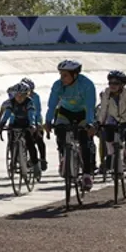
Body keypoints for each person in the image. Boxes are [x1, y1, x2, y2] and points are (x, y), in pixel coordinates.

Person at [44, 60, 97, 190]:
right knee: (60, 132)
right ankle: (64, 156)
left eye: (65, 75)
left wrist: (90, 123)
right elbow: (52, 105)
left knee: (84, 141)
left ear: (75, 75)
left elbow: (90, 106)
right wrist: (48, 121)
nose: (62, 78)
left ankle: (87, 175)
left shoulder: (87, 85)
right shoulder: (58, 85)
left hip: (83, 113)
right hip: (65, 112)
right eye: (61, 75)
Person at [96, 70, 126, 188]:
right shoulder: (106, 93)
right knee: (107, 133)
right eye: (110, 83)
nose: (112, 85)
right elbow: (103, 109)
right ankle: (111, 155)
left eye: (115, 83)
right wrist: (99, 122)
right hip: (113, 119)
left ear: (122, 85)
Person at [0, 82, 40, 171]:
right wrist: (1, 124)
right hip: (16, 123)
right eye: (17, 95)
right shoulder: (11, 102)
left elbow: (31, 115)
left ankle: (35, 164)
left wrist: (32, 124)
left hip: (27, 123)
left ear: (26, 95)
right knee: (12, 141)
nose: (19, 98)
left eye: (22, 96)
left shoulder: (29, 102)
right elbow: (6, 114)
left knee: (30, 142)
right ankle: (13, 161)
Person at [21, 77, 47, 171]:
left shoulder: (36, 97)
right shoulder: (19, 96)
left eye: (31, 91)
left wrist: (38, 123)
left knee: (39, 139)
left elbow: (38, 111)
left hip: (36, 119)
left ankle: (43, 159)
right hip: (24, 121)